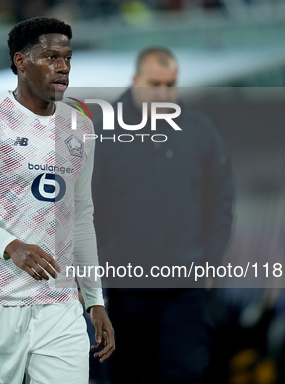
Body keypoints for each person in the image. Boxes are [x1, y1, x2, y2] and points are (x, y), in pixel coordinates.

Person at [0, 17, 114, 384]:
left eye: (67, 57)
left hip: (59, 307)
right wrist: (12, 247)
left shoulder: (79, 128)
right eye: (51, 57)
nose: (63, 67)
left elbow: (82, 217)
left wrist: (94, 299)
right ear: (21, 61)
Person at [93, 48, 234, 383]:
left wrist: (210, 263)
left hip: (184, 288)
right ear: (135, 81)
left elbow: (222, 202)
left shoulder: (199, 131)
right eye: (154, 83)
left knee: (186, 372)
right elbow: (85, 211)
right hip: (121, 290)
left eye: (170, 84)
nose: (163, 93)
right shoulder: (102, 133)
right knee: (127, 375)